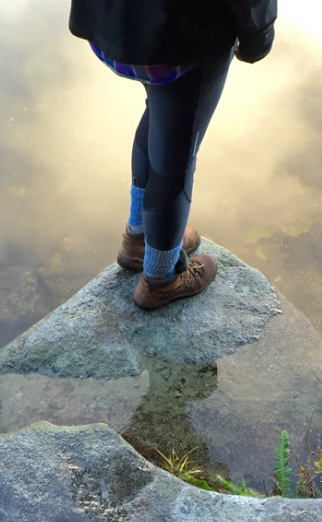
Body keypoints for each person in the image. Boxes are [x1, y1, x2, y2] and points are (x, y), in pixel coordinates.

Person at [68, 0, 277, 310]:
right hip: (183, 38)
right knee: (176, 155)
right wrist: (258, 37)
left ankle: (138, 240)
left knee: (160, 113)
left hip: (115, 24)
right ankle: (162, 277)